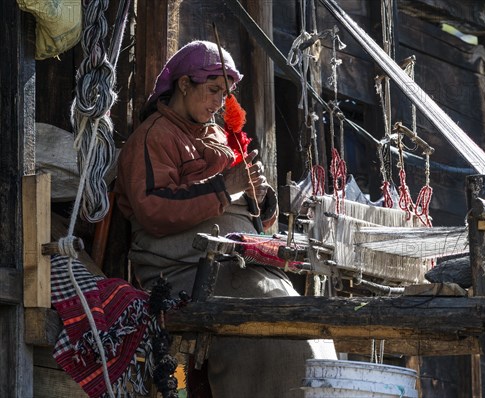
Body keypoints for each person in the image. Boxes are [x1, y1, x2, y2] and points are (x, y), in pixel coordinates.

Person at [114, 40, 336, 397]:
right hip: (184, 270)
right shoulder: (154, 136)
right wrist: (224, 187)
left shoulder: (221, 136)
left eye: (226, 93)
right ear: (184, 85)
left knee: (301, 313)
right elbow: (153, 211)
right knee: (267, 323)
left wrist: (259, 197)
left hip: (238, 265)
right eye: (214, 90)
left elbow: (261, 225)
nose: (220, 102)